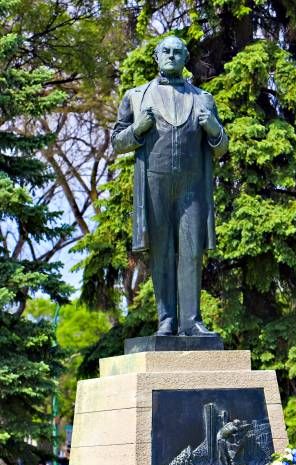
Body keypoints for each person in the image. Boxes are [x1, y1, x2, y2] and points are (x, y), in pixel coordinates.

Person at [111, 35, 228, 336]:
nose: (172, 56)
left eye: (178, 52)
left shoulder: (203, 99)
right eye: (166, 51)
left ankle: (191, 321)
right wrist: (138, 129)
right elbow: (117, 141)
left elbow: (221, 146)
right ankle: (166, 319)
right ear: (157, 56)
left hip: (192, 186)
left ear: (186, 57)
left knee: (191, 251)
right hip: (155, 184)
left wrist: (213, 128)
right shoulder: (136, 97)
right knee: (162, 251)